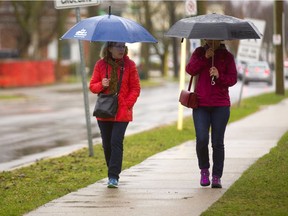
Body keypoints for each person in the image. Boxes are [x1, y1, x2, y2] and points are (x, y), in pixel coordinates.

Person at [185, 39, 237, 188]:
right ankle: (204, 170)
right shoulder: (199, 53)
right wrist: (204, 58)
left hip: (220, 105)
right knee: (201, 139)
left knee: (217, 143)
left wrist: (220, 75)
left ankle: (216, 176)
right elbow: (190, 70)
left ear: (220, 39)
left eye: (214, 38)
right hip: (200, 105)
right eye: (208, 38)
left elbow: (233, 79)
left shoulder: (227, 57)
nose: (210, 40)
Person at [89, 42, 140, 188]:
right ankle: (111, 171)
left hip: (122, 111)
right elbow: (92, 86)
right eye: (117, 46)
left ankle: (113, 176)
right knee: (107, 144)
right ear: (109, 48)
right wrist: (101, 85)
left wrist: (127, 104)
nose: (121, 49)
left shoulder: (130, 65)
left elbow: (135, 88)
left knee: (116, 142)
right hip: (105, 110)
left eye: (123, 46)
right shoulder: (100, 65)